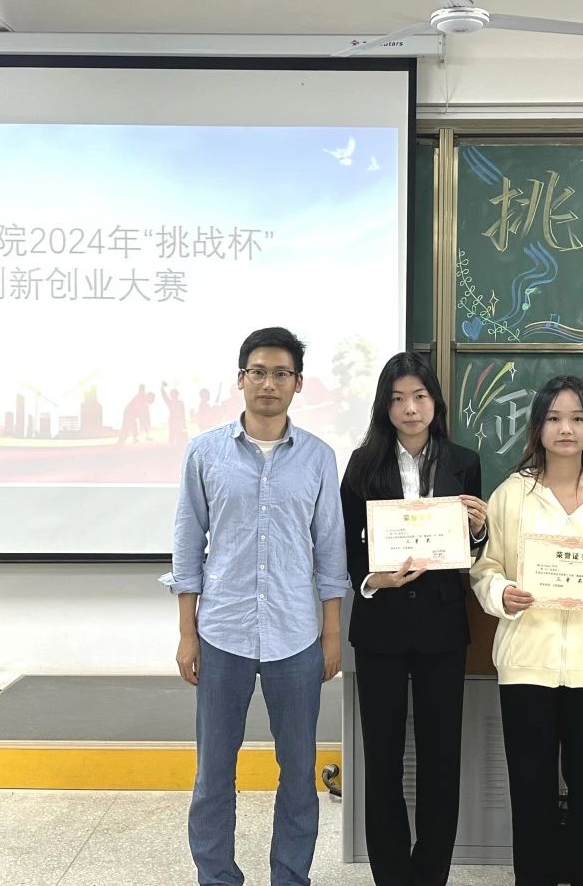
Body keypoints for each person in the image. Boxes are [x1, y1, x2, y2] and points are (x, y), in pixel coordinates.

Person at [168, 326, 350, 886]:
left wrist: (330, 635)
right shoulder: (204, 453)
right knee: (213, 773)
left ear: (298, 383)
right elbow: (187, 546)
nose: (269, 383)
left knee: (297, 774)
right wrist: (187, 633)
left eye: (281, 374)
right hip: (221, 632)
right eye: (259, 372)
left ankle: (290, 877)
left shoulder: (318, 457)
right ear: (241, 379)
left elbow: (330, 551)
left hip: (296, 636)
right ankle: (217, 876)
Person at [471, 375, 583, 886]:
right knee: (531, 791)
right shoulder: (511, 494)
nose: (565, 429)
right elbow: (486, 569)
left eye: (576, 419)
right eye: (553, 418)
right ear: (537, 428)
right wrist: (501, 593)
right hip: (527, 664)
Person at [340, 352, 488, 886]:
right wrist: (373, 580)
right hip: (379, 628)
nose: (410, 408)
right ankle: (391, 875)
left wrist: (478, 529)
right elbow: (347, 545)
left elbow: (471, 551)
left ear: (435, 402)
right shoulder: (363, 465)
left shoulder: (463, 462)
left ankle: (430, 875)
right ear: (385, 406)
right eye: (398, 398)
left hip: (442, 629)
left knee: (440, 759)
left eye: (419, 397)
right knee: (381, 760)